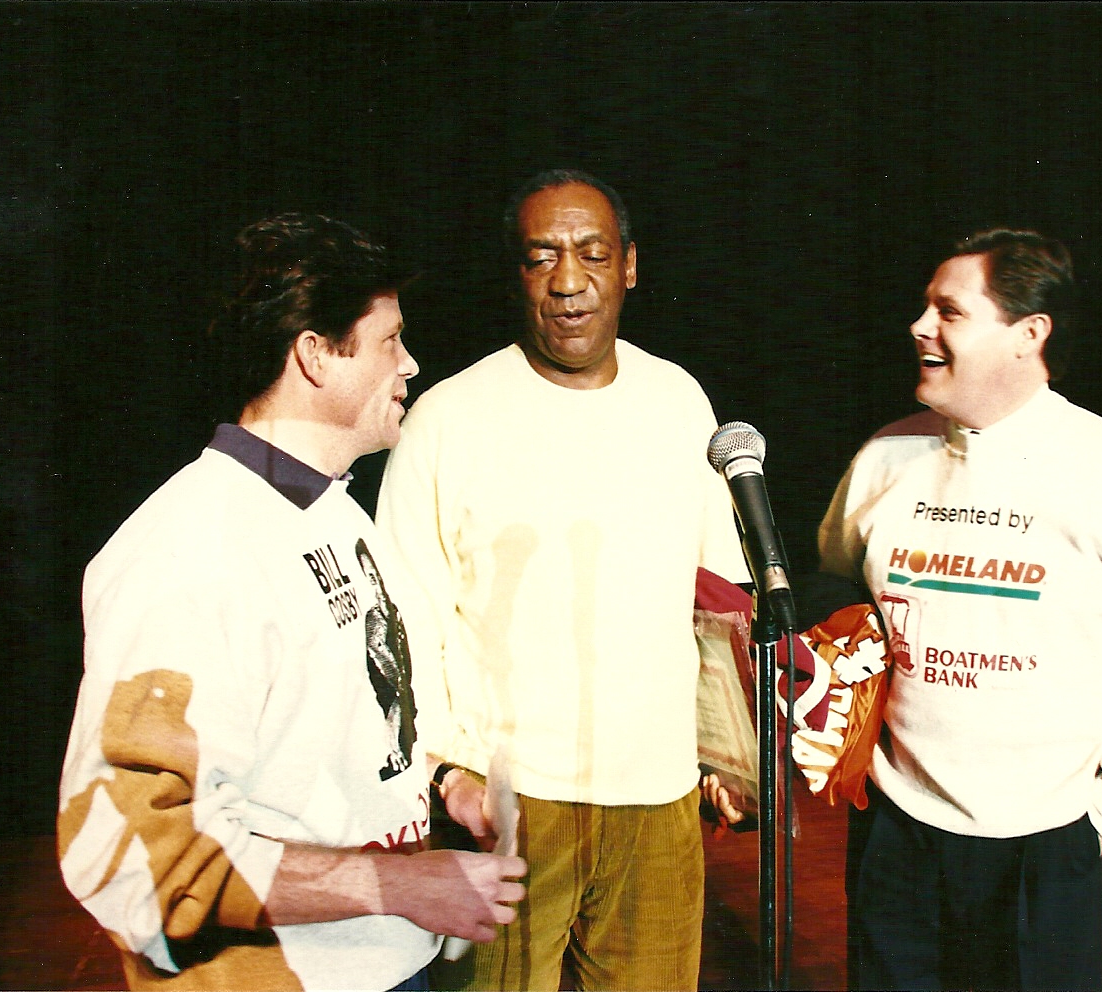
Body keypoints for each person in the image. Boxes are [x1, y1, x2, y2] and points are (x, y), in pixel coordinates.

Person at [57, 213, 526, 992]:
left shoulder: (335, 513)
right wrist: (402, 886)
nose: (410, 364)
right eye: (388, 341)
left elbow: (337, 730)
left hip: (389, 964)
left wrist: (444, 783)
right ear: (314, 353)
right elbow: (128, 851)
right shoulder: (188, 550)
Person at [818, 229, 1102, 992]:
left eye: (948, 311)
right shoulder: (884, 460)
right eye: (924, 307)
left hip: (1048, 842)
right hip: (897, 833)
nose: (920, 327)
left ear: (1028, 333)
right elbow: (837, 604)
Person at [375, 170, 749, 990]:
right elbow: (406, 616)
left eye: (591, 254)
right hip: (512, 808)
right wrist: (448, 772)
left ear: (630, 266)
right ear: (517, 273)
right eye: (543, 257)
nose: (569, 282)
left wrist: (727, 753)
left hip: (658, 799)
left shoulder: (679, 398)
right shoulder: (448, 416)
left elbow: (716, 594)